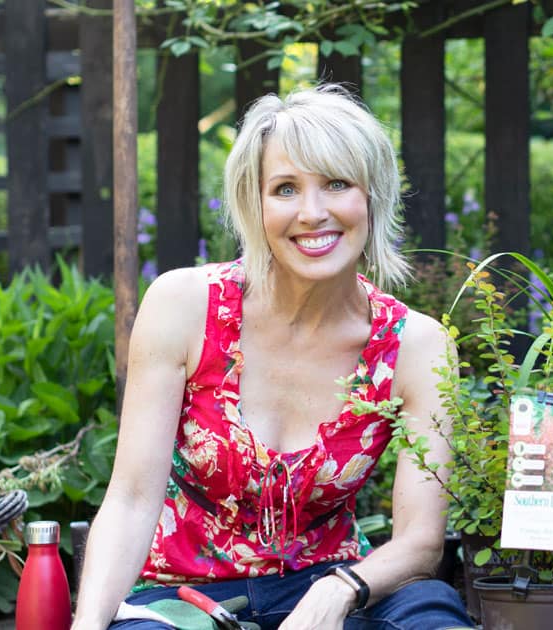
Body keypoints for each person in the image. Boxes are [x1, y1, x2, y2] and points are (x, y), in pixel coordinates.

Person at [71, 84, 473, 630]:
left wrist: (342, 589)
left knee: (433, 616)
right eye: (285, 188)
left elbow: (422, 542)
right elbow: (132, 498)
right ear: (253, 205)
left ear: (372, 197)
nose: (313, 212)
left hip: (335, 594)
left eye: (337, 184)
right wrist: (88, 625)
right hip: (184, 603)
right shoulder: (185, 307)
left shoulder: (416, 346)